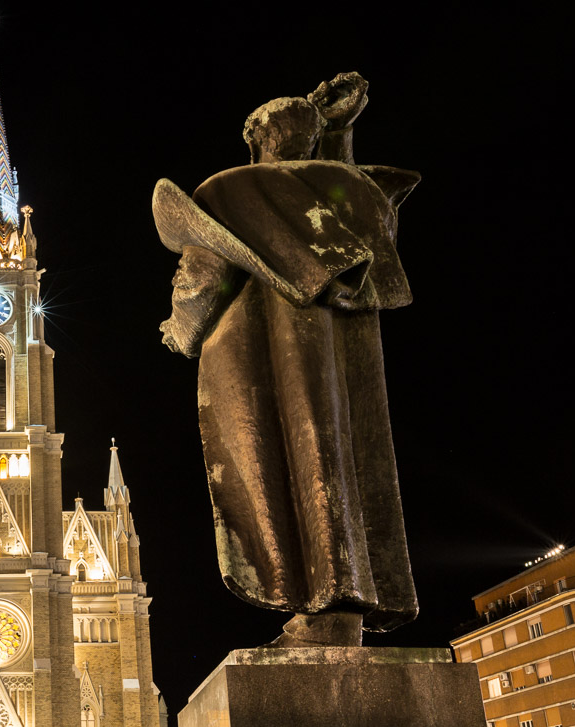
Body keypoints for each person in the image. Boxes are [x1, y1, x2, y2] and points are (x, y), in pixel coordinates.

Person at [152, 72, 420, 647]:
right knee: (336, 467)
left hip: (264, 362)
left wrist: (180, 329)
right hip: (337, 368)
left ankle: (321, 609)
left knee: (280, 471)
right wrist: (339, 136)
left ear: (256, 141)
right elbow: (345, 201)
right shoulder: (345, 192)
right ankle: (338, 608)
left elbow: (201, 277)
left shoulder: (234, 192)